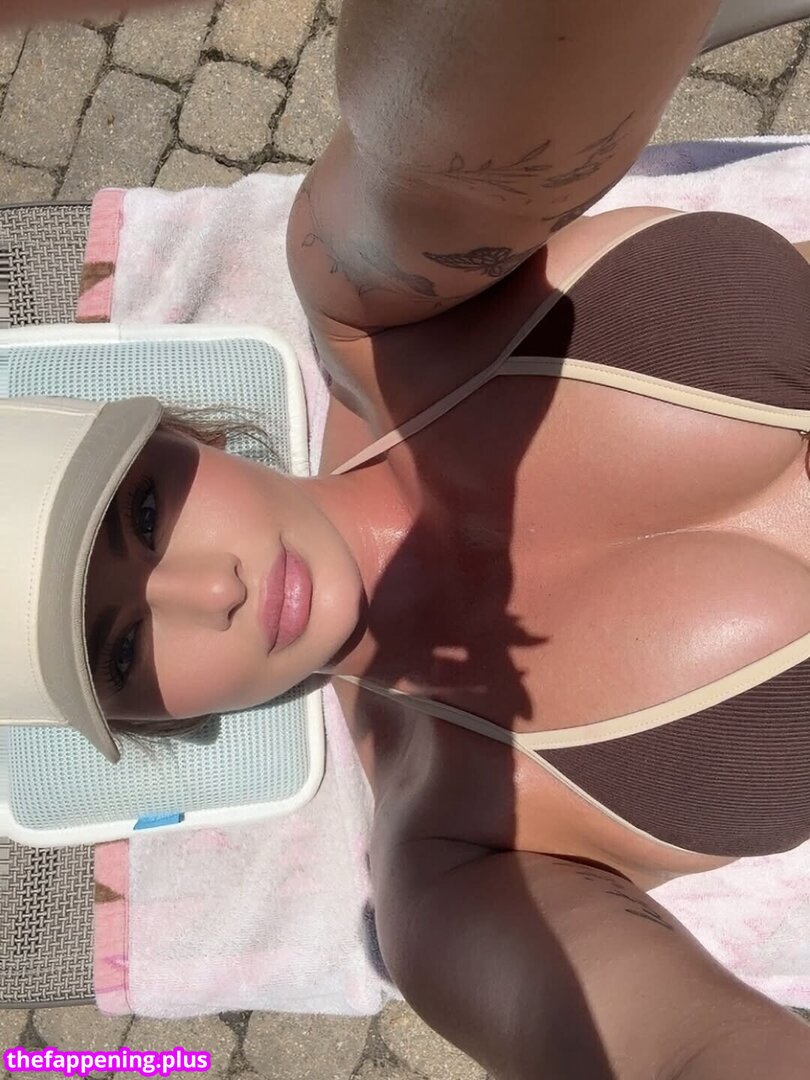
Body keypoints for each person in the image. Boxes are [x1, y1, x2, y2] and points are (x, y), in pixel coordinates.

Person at [5, 1, 810, 1076]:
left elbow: (518, 41)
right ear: (156, 721)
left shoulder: (372, 302)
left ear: (175, 430)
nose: (207, 592)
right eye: (120, 650)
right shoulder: (452, 869)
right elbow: (678, 1053)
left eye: (142, 515)